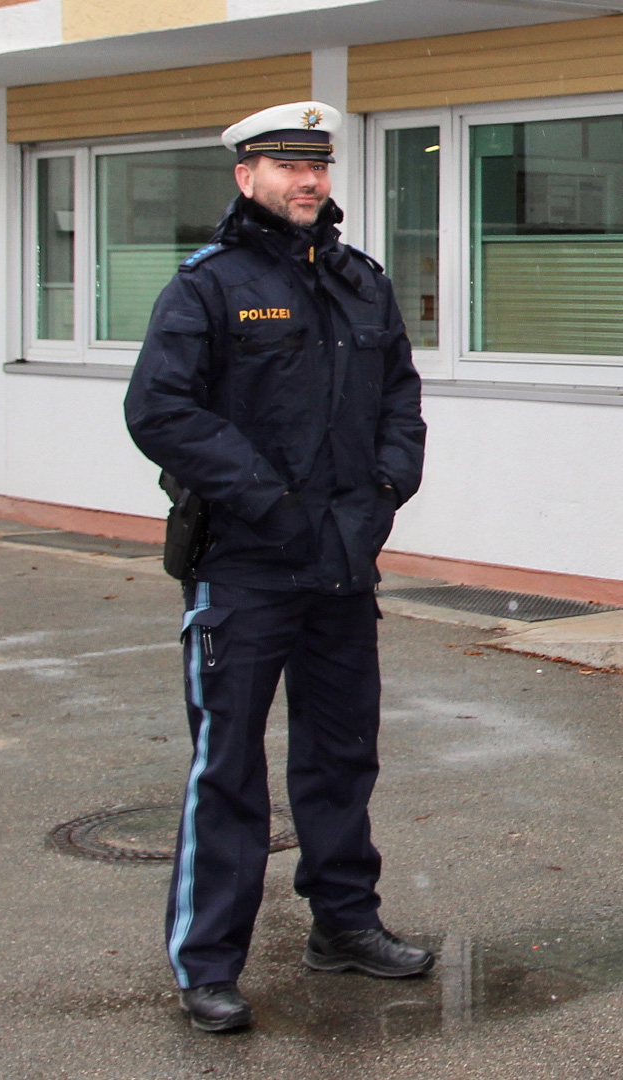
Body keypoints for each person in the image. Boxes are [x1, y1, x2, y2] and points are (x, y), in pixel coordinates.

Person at [124, 101, 432, 1033]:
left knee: (341, 759)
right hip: (248, 568)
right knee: (229, 771)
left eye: (319, 166)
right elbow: (160, 411)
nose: (307, 181)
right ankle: (207, 960)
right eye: (286, 165)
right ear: (245, 176)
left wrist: (387, 488)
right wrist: (271, 499)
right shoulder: (208, 286)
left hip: (342, 567)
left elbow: (401, 399)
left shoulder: (358, 281)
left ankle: (344, 923)